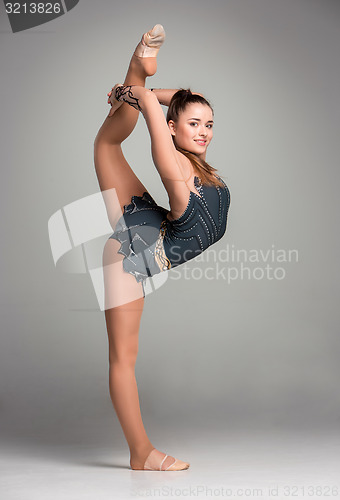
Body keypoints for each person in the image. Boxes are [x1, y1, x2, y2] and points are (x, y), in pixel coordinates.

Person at [93, 24, 231, 471]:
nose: (204, 131)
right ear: (172, 128)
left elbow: (174, 103)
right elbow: (156, 112)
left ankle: (138, 65)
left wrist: (138, 88)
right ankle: (141, 454)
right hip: (134, 257)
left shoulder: (199, 165)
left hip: (153, 225)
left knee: (107, 140)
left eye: (209, 124)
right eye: (194, 124)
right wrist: (138, 96)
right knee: (123, 358)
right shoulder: (175, 168)